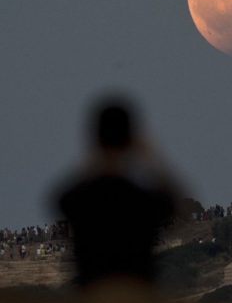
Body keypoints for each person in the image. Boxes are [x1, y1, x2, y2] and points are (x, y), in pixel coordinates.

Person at [58, 96, 179, 286]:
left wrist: (96, 156)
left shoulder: (79, 199)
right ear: (130, 140)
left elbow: (61, 196)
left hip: (92, 300)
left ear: (97, 139)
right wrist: (153, 158)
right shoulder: (143, 200)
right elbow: (175, 202)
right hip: (136, 298)